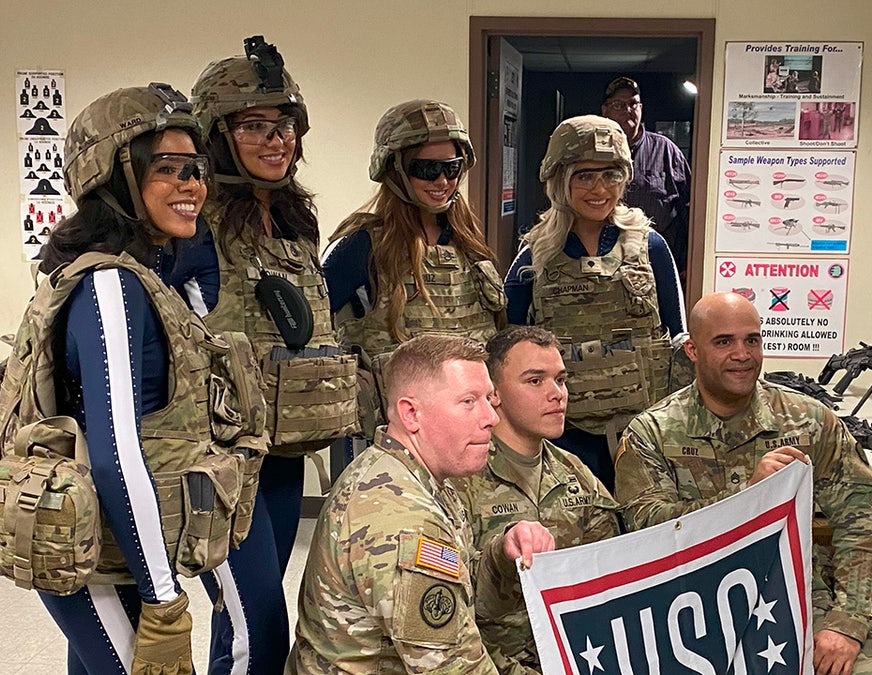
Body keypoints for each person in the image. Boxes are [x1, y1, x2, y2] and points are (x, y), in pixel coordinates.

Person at [0, 83, 239, 673]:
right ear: (113, 175)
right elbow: (115, 451)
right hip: (92, 547)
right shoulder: (110, 285)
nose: (192, 185)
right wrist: (164, 598)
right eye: (168, 169)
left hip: (111, 538)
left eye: (197, 169)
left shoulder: (141, 273)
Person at [185, 36, 356, 673]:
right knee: (258, 623)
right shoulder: (190, 225)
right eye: (255, 126)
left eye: (283, 125)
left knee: (248, 620)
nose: (276, 140)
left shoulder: (291, 220)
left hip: (280, 457)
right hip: (216, 464)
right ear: (216, 134)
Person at [613, 291, 872, 675]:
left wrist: (847, 625)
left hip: (792, 595)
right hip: (689, 608)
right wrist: (749, 496)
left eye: (752, 340)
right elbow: (648, 529)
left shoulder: (809, 422)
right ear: (693, 351)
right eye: (724, 342)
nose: (743, 354)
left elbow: (863, 528)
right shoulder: (653, 433)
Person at [287, 334, 555, 674]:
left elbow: (462, 597)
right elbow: (456, 669)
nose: (491, 417)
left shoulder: (412, 476)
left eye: (489, 399)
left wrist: (501, 556)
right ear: (411, 414)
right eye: (469, 401)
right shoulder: (400, 517)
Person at [505, 114, 686, 490]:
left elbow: (678, 339)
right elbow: (505, 349)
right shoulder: (534, 257)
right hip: (564, 438)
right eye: (584, 175)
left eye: (611, 175)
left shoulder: (650, 247)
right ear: (560, 180)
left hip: (644, 430)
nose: (599, 188)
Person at [325, 99, 506, 438]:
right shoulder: (361, 246)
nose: (441, 180)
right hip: (398, 436)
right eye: (426, 170)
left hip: (473, 431)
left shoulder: (469, 244)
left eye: (451, 168)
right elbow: (313, 330)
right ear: (394, 170)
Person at [451, 326, 621, 674]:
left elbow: (611, 572)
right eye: (535, 381)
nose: (556, 394)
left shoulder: (574, 472)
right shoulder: (461, 477)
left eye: (561, 380)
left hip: (576, 656)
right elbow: (451, 614)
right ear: (494, 394)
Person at [600, 77, 692, 277]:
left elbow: (689, 209)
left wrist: (687, 261)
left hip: (656, 262)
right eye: (618, 105)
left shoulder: (666, 151)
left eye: (633, 104)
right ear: (605, 110)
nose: (628, 110)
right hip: (605, 263)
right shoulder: (593, 152)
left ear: (641, 107)